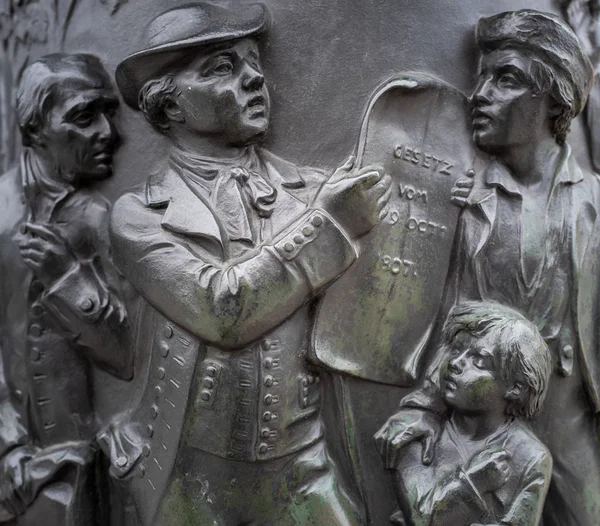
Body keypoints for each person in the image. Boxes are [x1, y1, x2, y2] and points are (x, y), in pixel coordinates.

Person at [101, 3, 391, 525]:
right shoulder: (140, 214)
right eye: (222, 68)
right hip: (192, 479)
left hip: (303, 467)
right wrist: (330, 227)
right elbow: (221, 312)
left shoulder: (314, 192)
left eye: (254, 61)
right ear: (169, 106)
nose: (256, 78)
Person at [375, 10, 600, 526]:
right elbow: (453, 320)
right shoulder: (472, 203)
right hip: (481, 421)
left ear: (554, 100)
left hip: (569, 422)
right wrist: (424, 407)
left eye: (506, 79)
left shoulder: (593, 203)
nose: (479, 94)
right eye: (481, 77)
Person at [0, 53, 132, 525]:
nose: (108, 133)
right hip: (16, 471)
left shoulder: (100, 220)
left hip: (88, 474)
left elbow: (128, 357)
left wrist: (67, 279)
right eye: (83, 116)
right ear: (35, 129)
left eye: (109, 113)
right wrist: (6, 444)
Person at [389, 302, 552, 526]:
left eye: (478, 361)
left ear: (516, 388)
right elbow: (420, 519)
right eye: (456, 350)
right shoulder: (415, 433)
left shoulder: (531, 456)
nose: (455, 363)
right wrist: (473, 483)